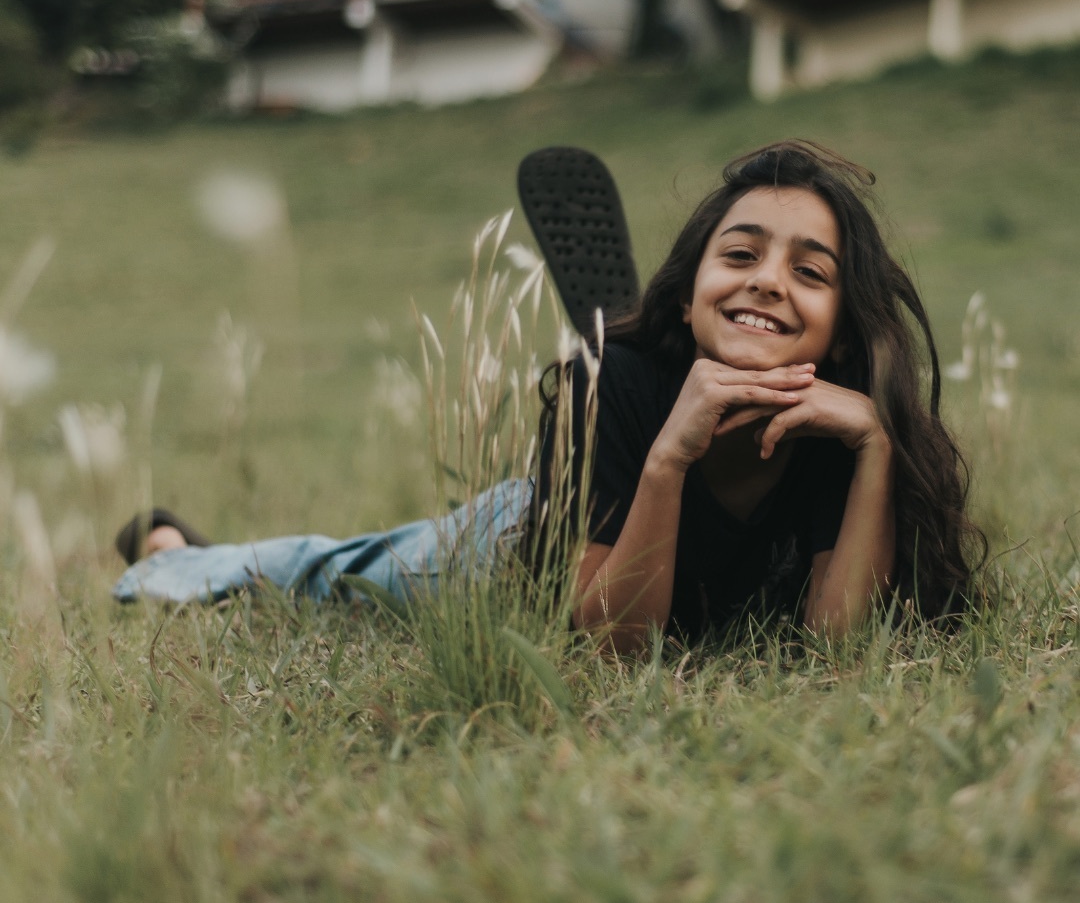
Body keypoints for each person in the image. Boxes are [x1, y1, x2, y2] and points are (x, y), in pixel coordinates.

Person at [114, 140, 983, 647]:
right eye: (741, 254)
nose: (766, 282)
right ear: (688, 293)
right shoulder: (619, 382)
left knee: (349, 561)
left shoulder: (843, 421)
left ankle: (183, 547)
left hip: (622, 502)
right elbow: (613, 643)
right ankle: (168, 558)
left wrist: (872, 447)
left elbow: (840, 649)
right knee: (344, 570)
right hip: (515, 543)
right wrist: (669, 454)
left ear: (841, 321)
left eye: (810, 270)